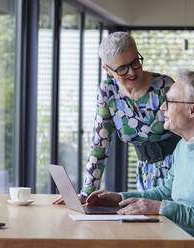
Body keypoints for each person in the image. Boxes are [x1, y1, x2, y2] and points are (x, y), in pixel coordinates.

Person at [86, 70, 194, 245]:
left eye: (170, 101)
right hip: (175, 235)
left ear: (192, 110)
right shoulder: (183, 145)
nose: (162, 107)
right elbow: (165, 193)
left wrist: (161, 208)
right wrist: (119, 198)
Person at [54, 32, 180, 204]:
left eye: (135, 62)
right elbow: (100, 144)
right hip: (145, 174)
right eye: (122, 68)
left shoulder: (164, 86)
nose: (132, 72)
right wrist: (85, 194)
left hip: (177, 171)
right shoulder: (108, 92)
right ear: (107, 69)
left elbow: (190, 132)